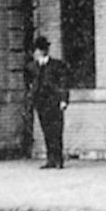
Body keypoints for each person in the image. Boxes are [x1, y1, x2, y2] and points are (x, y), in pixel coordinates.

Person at [25, 36, 70, 169]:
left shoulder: (57, 65)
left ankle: (58, 159)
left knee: (57, 130)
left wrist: (63, 100)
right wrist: (31, 101)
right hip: (41, 103)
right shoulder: (31, 67)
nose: (37, 53)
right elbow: (29, 85)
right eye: (37, 50)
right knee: (46, 131)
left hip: (54, 102)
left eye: (39, 50)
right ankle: (50, 159)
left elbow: (63, 83)